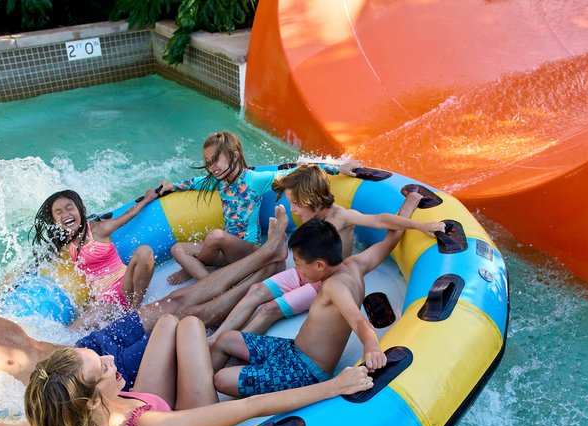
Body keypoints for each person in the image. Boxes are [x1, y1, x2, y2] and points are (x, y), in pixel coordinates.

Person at [0, 214, 290, 409]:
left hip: (84, 348)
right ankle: (257, 294)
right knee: (184, 326)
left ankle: (264, 257)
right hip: (85, 382)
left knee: (172, 304)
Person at [19, 315, 374, 426]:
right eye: (103, 368)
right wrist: (333, 386)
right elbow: (253, 406)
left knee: (170, 323)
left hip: (132, 415)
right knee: (190, 326)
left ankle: (211, 353)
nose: (112, 360)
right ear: (91, 399)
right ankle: (213, 353)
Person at [208, 168, 431, 346]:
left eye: (295, 203)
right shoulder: (311, 210)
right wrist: (336, 168)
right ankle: (216, 337)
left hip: (324, 281)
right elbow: (309, 170)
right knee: (255, 292)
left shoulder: (341, 216)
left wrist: (421, 225)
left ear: (312, 198)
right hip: (304, 271)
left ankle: (232, 346)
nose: (293, 209)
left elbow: (381, 221)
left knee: (269, 309)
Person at [212, 214, 405, 397]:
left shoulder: (334, 286)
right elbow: (389, 242)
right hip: (291, 350)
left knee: (222, 380)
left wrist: (371, 345)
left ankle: (199, 402)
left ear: (320, 265)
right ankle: (201, 383)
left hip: (305, 371)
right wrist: (409, 206)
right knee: (225, 339)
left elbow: (358, 320)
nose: (296, 269)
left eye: (298, 263)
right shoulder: (355, 264)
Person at [158, 131, 360, 284]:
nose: (212, 167)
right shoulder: (217, 182)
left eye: (215, 160)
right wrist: (170, 186)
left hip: (248, 249)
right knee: (177, 249)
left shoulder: (254, 180)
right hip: (224, 251)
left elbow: (299, 172)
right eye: (208, 162)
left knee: (215, 236)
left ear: (235, 156)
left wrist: (337, 168)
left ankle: (207, 281)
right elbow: (193, 182)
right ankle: (206, 279)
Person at [31, 189, 158, 326]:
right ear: (55, 220)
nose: (65, 214)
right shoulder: (65, 244)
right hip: (104, 298)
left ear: (82, 209)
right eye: (59, 212)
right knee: (74, 329)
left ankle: (134, 308)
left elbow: (129, 214)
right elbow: (41, 260)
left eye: (69, 208)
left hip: (124, 284)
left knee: (145, 252)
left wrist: (148, 198)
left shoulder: (99, 229)